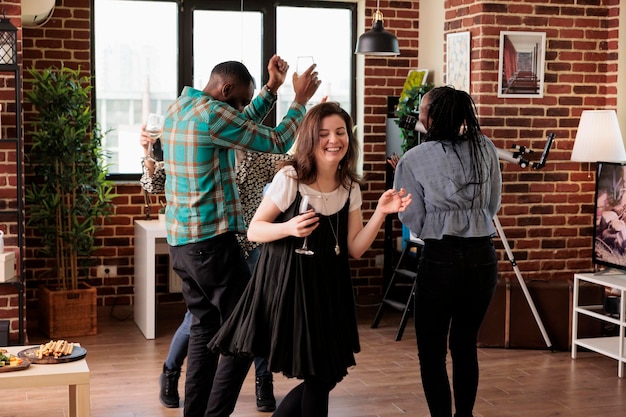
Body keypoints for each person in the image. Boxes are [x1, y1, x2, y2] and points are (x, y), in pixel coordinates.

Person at [209, 101, 412, 417]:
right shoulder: (291, 178)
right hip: (286, 283)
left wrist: (381, 213)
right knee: (316, 374)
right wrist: (288, 227)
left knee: (326, 374)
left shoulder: (348, 186)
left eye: (340, 132)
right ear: (309, 139)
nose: (334, 140)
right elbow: (255, 230)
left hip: (328, 287)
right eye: (324, 133)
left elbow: (355, 248)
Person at [162, 55, 320, 417]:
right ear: (226, 89)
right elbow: (279, 140)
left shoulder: (180, 108)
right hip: (210, 246)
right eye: (241, 100)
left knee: (205, 329)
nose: (243, 108)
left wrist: (270, 90)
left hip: (182, 246)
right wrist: (298, 101)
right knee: (251, 330)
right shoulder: (213, 116)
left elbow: (240, 123)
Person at [139, 128, 289, 411]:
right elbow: (153, 182)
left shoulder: (258, 153)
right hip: (212, 248)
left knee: (257, 314)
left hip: (250, 244)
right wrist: (147, 152)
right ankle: (171, 372)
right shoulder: (198, 151)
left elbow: (289, 164)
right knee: (197, 320)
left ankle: (263, 380)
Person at [392, 86, 502, 417]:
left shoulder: (414, 158)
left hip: (441, 260)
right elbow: (493, 204)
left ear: (433, 117)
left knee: (432, 350)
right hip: (484, 258)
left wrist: (436, 226)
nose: (420, 116)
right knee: (465, 346)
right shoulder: (487, 148)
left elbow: (411, 216)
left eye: (424, 109)